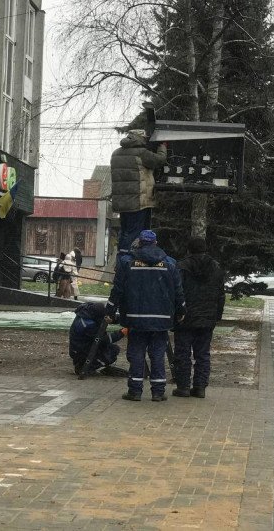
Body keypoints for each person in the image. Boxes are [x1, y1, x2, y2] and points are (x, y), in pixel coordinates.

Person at [105, 229, 185, 402]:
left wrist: (110, 311)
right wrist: (181, 311)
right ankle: (158, 392)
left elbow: (117, 290)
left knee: (137, 354)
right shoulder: (169, 263)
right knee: (157, 354)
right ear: (155, 243)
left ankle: (135, 391)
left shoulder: (127, 262)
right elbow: (178, 291)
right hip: (161, 319)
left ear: (139, 242)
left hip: (136, 318)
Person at [173, 237, 226, 399]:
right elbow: (220, 294)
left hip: (185, 317)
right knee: (203, 354)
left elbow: (176, 292)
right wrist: (217, 315)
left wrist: (177, 312)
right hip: (207, 317)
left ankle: (183, 386)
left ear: (189, 249)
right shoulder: (216, 268)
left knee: (182, 352)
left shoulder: (181, 267)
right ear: (205, 249)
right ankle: (200, 387)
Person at [110, 129, 167, 256]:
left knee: (125, 231)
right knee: (136, 233)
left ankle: (121, 257)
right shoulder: (141, 153)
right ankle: (130, 259)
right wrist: (163, 147)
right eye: (145, 138)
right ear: (140, 138)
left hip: (122, 203)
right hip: (138, 201)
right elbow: (159, 160)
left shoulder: (116, 153)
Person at [69, 302, 128, 377]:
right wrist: (122, 333)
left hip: (79, 348)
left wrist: (121, 319)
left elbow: (106, 318)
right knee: (113, 351)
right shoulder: (88, 324)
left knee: (110, 348)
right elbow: (103, 340)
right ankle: (85, 367)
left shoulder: (86, 314)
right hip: (81, 351)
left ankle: (82, 364)